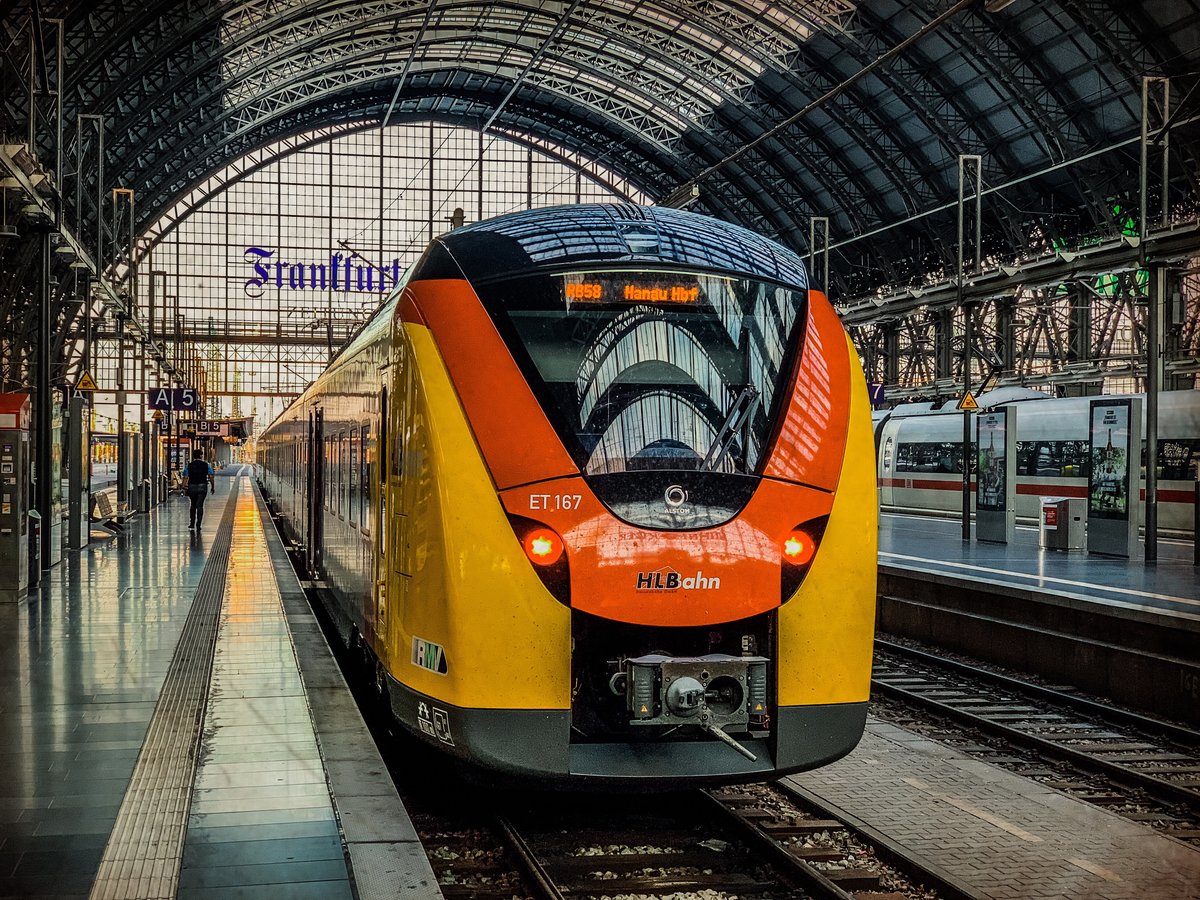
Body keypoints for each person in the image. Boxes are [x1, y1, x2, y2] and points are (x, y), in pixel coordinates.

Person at [186, 450, 215, 529]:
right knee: (200, 506)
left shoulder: (190, 465)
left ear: (194, 456)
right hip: (202, 486)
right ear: (201, 456)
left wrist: (183, 487)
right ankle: (198, 524)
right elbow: (211, 476)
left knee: (193, 505)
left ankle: (192, 523)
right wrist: (212, 486)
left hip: (192, 486)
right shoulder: (206, 465)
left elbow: (185, 476)